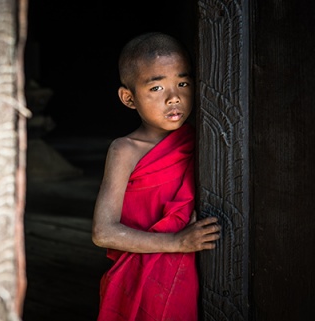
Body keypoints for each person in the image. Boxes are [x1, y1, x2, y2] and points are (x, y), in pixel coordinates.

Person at [91, 32, 221, 321]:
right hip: (141, 278)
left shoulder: (203, 139)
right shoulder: (124, 150)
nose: (174, 97)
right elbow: (103, 232)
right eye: (157, 87)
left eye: (183, 83)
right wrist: (176, 243)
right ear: (129, 98)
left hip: (190, 272)